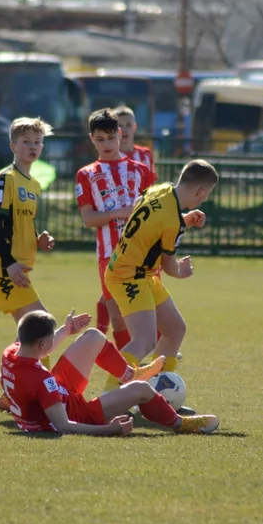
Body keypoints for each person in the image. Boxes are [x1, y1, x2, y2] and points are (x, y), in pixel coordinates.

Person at [0, 309, 219, 435]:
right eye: (50, 340)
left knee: (93, 336)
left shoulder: (10, 352)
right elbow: (63, 425)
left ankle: (128, 375)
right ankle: (181, 424)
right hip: (78, 413)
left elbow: (12, 377)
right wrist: (109, 430)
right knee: (142, 389)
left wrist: (67, 331)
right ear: (43, 345)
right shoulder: (43, 380)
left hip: (60, 391)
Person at [104, 160, 216, 383]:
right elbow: (169, 266)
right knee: (144, 340)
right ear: (201, 191)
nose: (205, 198)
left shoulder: (161, 189)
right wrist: (182, 272)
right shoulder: (172, 222)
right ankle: (110, 397)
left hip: (140, 273)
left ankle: (160, 391)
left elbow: (145, 213)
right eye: (207, 194)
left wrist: (185, 220)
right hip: (127, 275)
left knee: (175, 329)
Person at [75, 109, 155, 367]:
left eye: (110, 137)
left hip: (143, 255)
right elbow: (88, 219)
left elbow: (156, 214)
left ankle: (153, 378)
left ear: (120, 134)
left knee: (152, 317)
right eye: (100, 139)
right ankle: (128, 381)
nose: (106, 144)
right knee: (118, 319)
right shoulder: (86, 174)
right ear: (92, 139)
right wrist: (120, 212)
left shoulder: (141, 170)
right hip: (109, 257)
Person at [0, 117, 56, 325]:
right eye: (26, 141)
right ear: (13, 146)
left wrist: (37, 239)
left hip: (12, 265)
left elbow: (19, 222)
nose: (32, 146)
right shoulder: (6, 179)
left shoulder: (34, 185)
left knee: (30, 332)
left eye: (37, 142)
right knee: (42, 325)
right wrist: (8, 263)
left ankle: (22, 360)